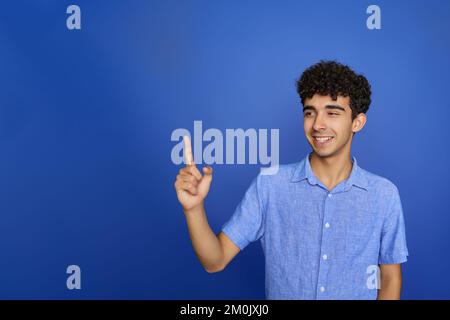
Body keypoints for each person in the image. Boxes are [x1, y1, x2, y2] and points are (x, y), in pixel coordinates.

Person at [174, 60, 408, 300]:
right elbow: (215, 260)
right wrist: (193, 208)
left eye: (332, 112)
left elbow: (390, 278)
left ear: (357, 122)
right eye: (310, 112)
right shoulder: (270, 185)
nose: (318, 124)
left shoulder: (383, 195)